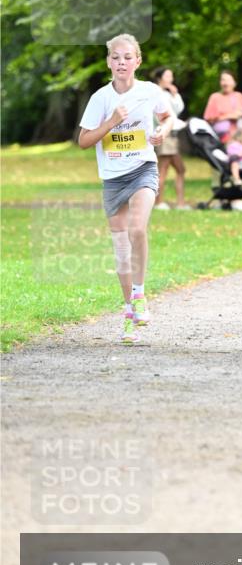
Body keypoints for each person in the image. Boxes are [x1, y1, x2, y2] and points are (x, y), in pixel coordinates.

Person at [78, 34, 173, 344]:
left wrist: (162, 131)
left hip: (143, 168)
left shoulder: (149, 91)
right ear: (108, 62)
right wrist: (110, 122)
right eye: (116, 57)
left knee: (137, 228)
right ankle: (129, 312)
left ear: (137, 61)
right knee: (121, 247)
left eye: (127, 57)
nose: (121, 62)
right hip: (112, 178)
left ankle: (141, 293)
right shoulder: (100, 99)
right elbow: (84, 140)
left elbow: (168, 116)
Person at [151, 67, 189, 210]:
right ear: (160, 78)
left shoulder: (167, 94)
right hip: (164, 135)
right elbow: (161, 117)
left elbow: (178, 110)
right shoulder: (155, 93)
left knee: (180, 169)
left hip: (172, 136)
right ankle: (159, 203)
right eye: (168, 76)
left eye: (171, 76)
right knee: (163, 169)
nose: (170, 79)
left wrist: (175, 94)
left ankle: (180, 204)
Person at [203, 69, 242, 143]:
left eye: (228, 80)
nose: (225, 83)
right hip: (220, 136)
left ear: (234, 83)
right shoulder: (215, 97)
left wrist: (241, 114)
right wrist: (229, 116)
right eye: (223, 80)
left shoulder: (239, 96)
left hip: (240, 135)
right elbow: (208, 119)